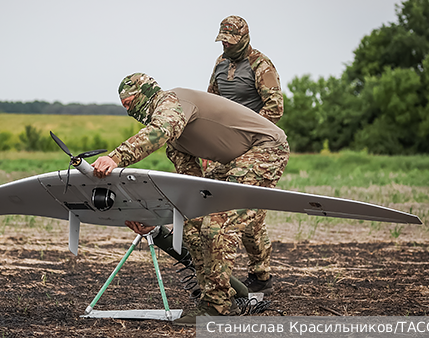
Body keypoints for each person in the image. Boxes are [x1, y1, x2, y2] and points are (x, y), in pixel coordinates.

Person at [92, 73, 289, 325]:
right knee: (194, 223)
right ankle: (220, 295)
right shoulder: (176, 144)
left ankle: (217, 309)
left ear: (145, 95)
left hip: (266, 148)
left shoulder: (172, 101)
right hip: (234, 162)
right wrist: (155, 221)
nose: (129, 111)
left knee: (218, 224)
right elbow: (192, 192)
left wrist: (116, 157)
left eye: (130, 103)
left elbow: (160, 130)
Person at [205, 15, 284, 295]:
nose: (226, 46)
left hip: (255, 147)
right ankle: (210, 276)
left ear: (245, 39)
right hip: (224, 147)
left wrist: (249, 133)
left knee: (249, 213)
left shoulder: (260, 65)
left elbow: (275, 108)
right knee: (206, 197)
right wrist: (206, 144)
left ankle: (260, 275)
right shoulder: (219, 64)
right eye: (223, 41)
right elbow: (210, 103)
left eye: (232, 41)